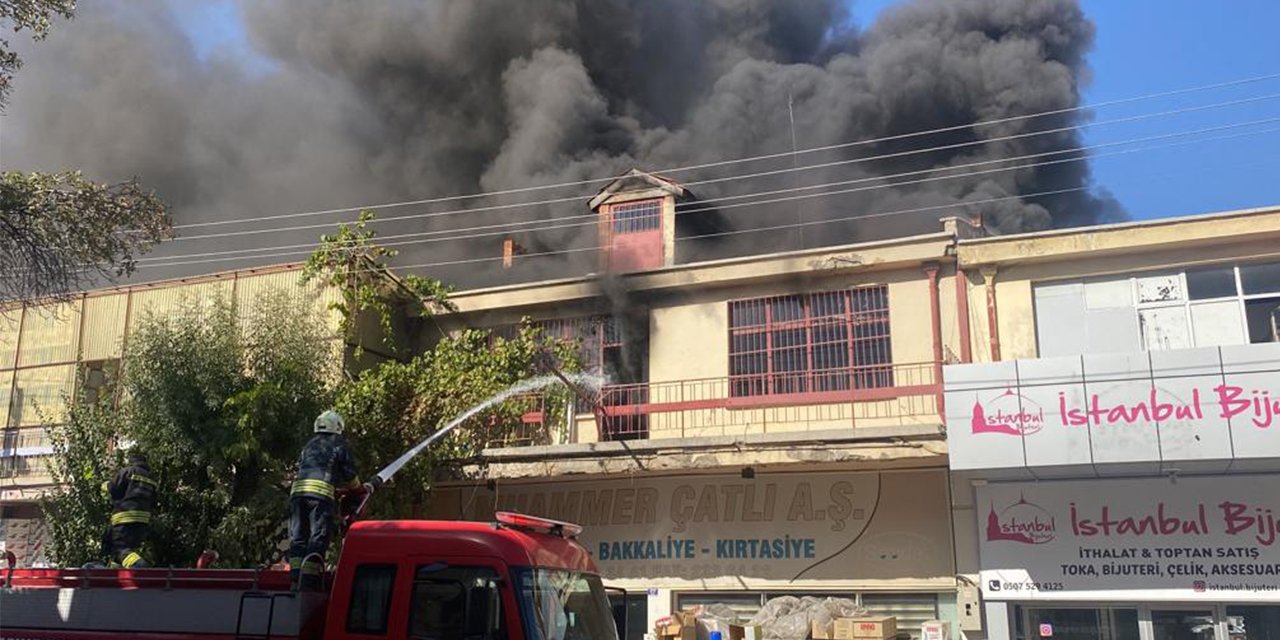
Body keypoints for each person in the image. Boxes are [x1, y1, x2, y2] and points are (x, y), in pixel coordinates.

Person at [288, 410, 374, 590]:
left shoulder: (309, 445)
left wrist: (336, 490)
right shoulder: (338, 444)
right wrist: (359, 489)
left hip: (297, 494)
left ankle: (295, 577)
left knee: (298, 536)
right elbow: (349, 475)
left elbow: (310, 471)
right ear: (338, 427)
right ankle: (309, 580)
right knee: (318, 536)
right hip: (320, 497)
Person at [100, 450, 157, 569]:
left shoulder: (129, 471)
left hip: (124, 517)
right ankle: (116, 574)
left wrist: (105, 486)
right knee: (124, 551)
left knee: (120, 548)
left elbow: (114, 489)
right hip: (142, 521)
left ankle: (140, 565)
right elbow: (154, 500)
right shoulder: (151, 478)